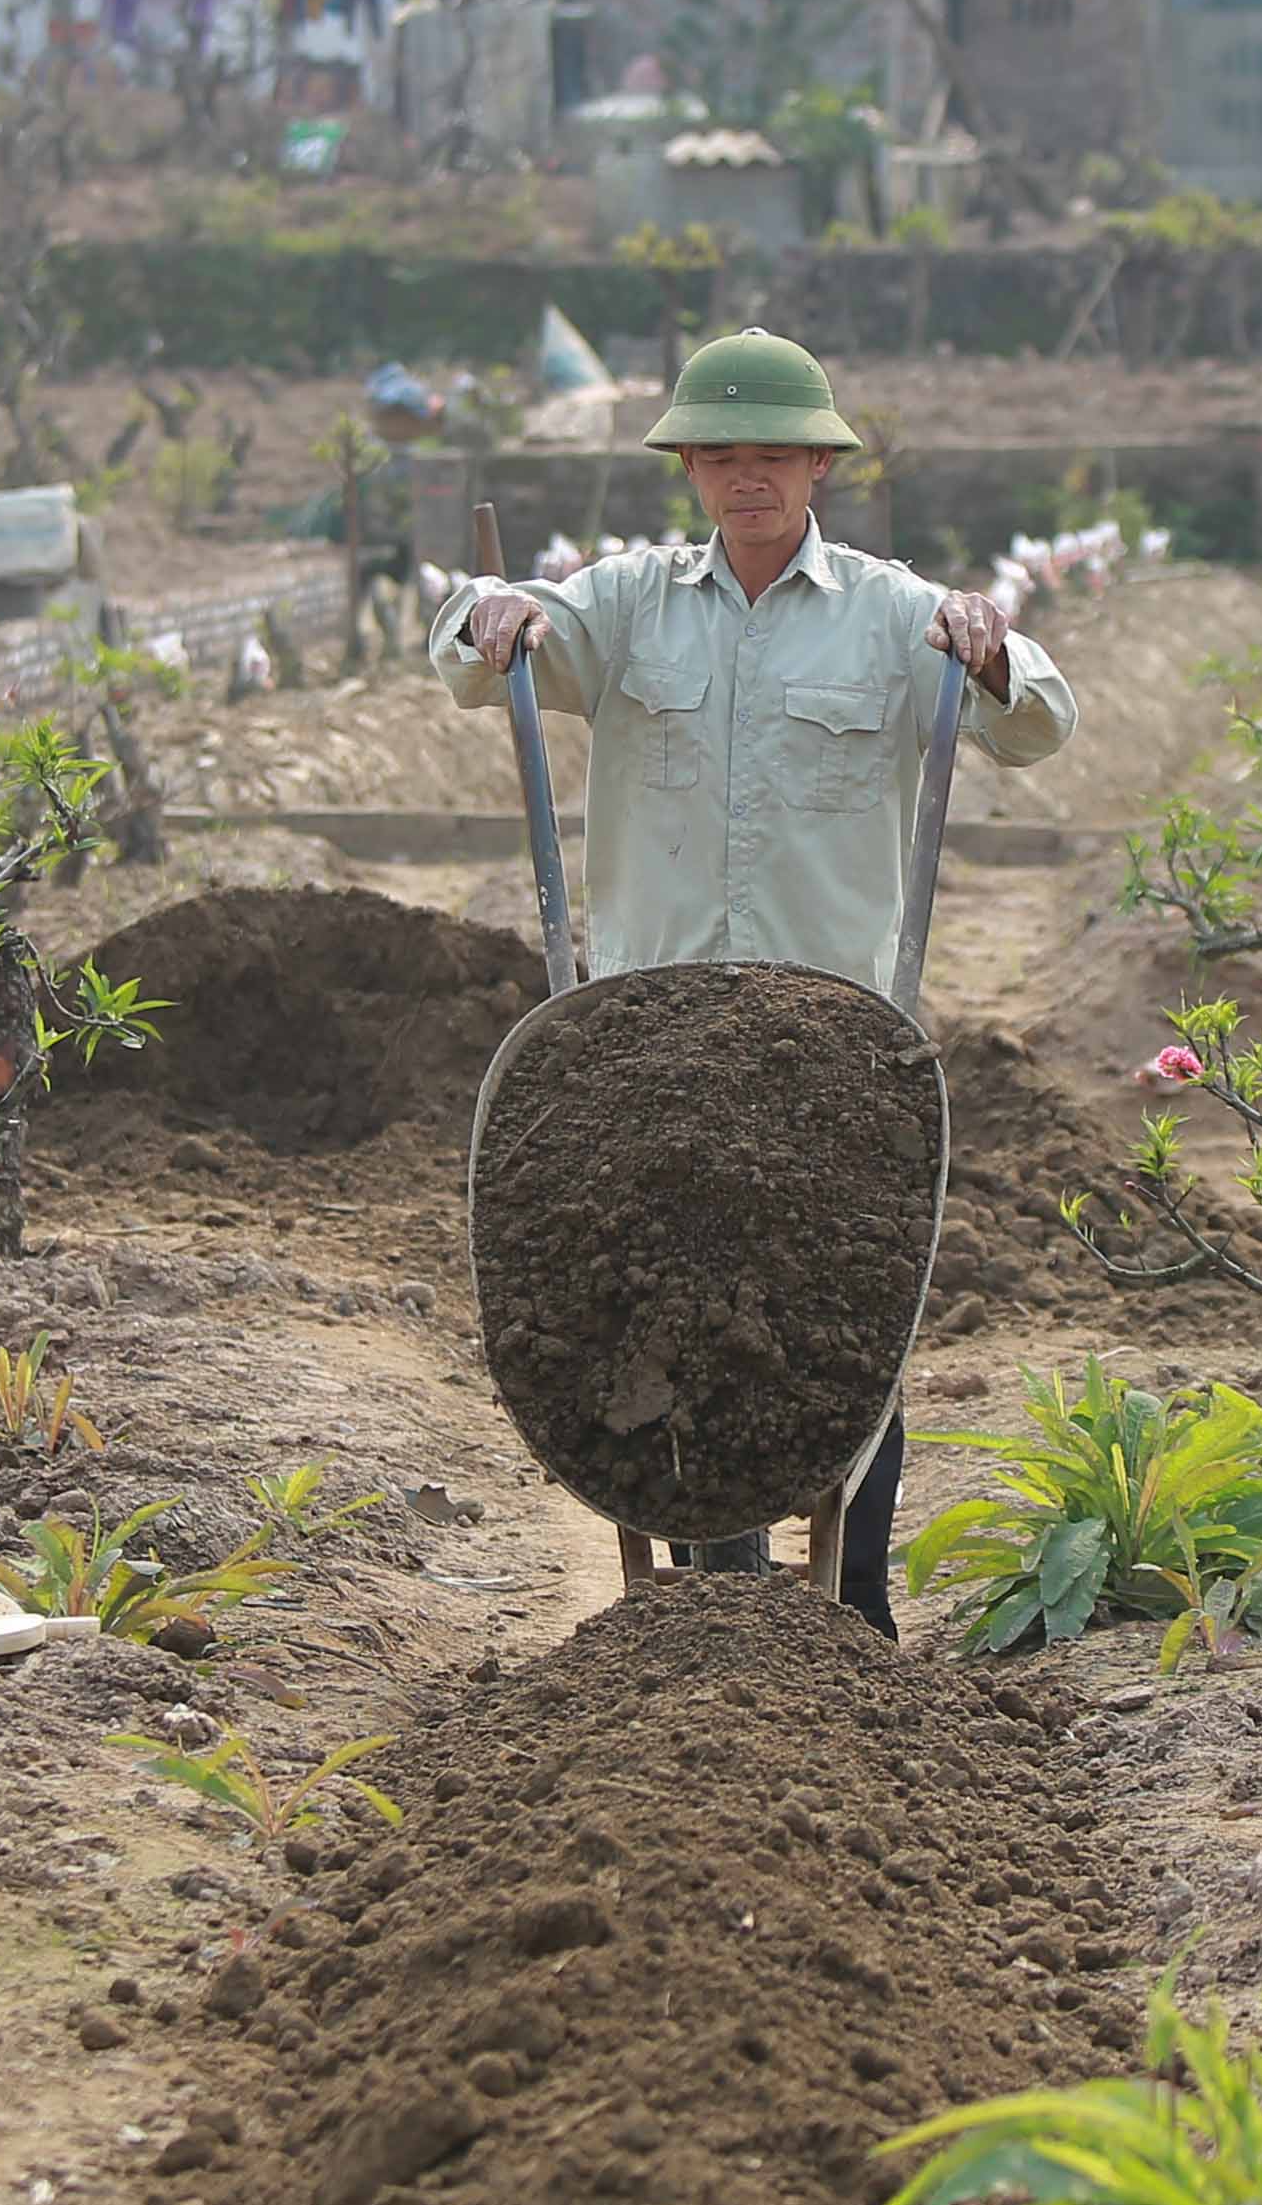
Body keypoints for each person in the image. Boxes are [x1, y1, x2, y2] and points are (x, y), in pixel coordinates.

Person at [428, 329, 1079, 1639]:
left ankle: (854, 1604)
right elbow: (472, 653)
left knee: (848, 1318)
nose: (746, 477)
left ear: (817, 467)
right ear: (687, 469)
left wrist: (993, 648)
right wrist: (485, 614)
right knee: (681, 1300)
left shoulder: (898, 613)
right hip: (652, 1038)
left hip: (832, 1039)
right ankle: (716, 1598)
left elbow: (1037, 723)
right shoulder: (624, 603)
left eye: (771, 454)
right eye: (719, 455)